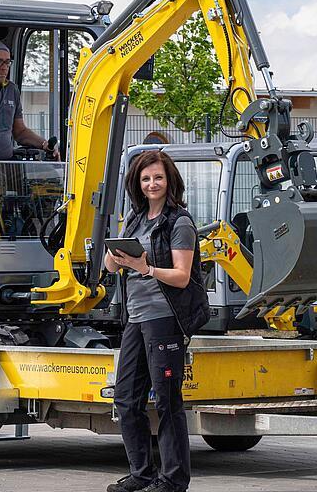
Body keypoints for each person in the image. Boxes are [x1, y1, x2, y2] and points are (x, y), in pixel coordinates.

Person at [104, 150, 210, 492]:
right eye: (146, 178)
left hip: (165, 319)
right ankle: (142, 473)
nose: (152, 183)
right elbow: (109, 268)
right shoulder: (134, 220)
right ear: (138, 183)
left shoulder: (179, 222)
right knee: (125, 399)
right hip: (135, 318)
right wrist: (114, 253)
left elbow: (181, 276)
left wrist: (146, 268)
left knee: (167, 401)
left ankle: (173, 480)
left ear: (170, 181)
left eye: (158, 177)